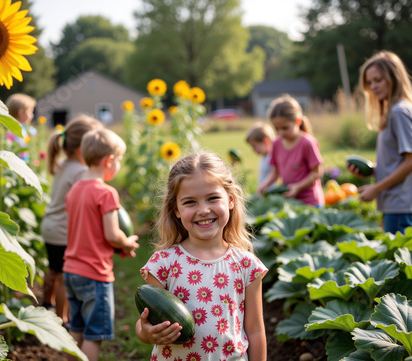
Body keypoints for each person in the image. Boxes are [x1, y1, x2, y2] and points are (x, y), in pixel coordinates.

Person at [135, 152, 268, 361]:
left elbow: (255, 330)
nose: (203, 210)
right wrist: (146, 333)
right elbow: (145, 321)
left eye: (213, 198)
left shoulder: (247, 265)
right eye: (190, 202)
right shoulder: (164, 263)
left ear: (231, 200)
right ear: (176, 209)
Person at [63, 128, 140, 361]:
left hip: (71, 271)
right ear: (109, 161)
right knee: (93, 335)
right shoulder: (106, 193)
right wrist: (125, 243)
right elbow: (111, 234)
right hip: (94, 274)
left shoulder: (75, 189)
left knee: (76, 328)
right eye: (119, 161)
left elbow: (86, 229)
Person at [347, 50, 412, 234]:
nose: (373, 86)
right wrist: (374, 170)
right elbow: (400, 160)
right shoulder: (395, 110)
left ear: (394, 78)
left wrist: (377, 188)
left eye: (378, 80)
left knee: (399, 261)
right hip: (397, 205)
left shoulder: (400, 112)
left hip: (399, 206)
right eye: (370, 82)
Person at [40, 114, 103, 325]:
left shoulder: (64, 164)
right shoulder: (82, 171)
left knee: (53, 268)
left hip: (50, 226)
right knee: (64, 278)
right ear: (82, 148)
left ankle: (46, 302)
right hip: (62, 231)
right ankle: (62, 319)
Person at [257, 95, 325, 207]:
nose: (280, 133)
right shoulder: (276, 144)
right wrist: (265, 184)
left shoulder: (307, 143)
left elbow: (317, 172)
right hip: (290, 202)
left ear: (297, 121)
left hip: (311, 202)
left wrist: (298, 186)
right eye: (276, 129)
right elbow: (276, 171)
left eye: (285, 128)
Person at [246, 121, 277, 193]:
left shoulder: (272, 157)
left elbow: (275, 174)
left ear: (266, 142)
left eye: (254, 146)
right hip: (264, 193)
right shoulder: (263, 157)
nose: (253, 150)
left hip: (272, 193)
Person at [5, 93, 37, 162]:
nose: (32, 115)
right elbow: (22, 146)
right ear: (21, 113)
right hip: (20, 161)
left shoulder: (10, 127)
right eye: (30, 112)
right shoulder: (18, 130)